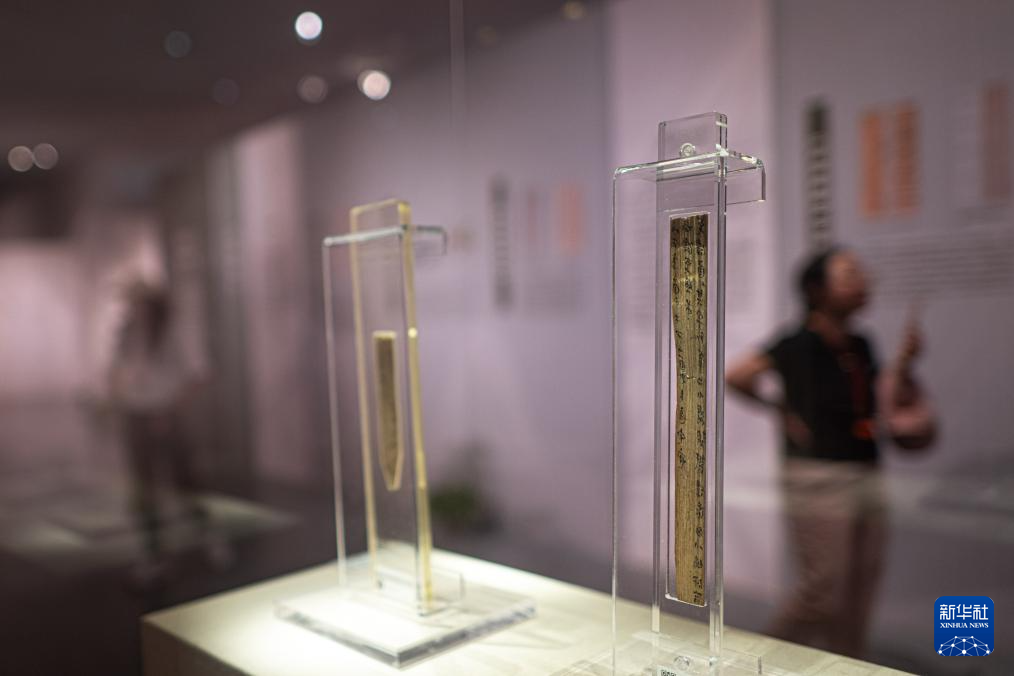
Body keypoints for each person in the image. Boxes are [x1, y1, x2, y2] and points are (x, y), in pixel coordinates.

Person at [726, 247, 935, 658]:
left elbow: (878, 400)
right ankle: (755, 663)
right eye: (849, 274)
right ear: (817, 289)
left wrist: (905, 363)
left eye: (861, 273)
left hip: (866, 469)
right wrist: (780, 408)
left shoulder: (860, 343)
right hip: (818, 475)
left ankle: (848, 663)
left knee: (860, 587)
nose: (863, 281)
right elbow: (738, 376)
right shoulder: (797, 342)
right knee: (822, 589)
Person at [108, 282, 209, 581]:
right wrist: (118, 399)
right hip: (136, 415)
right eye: (132, 304)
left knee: (183, 480)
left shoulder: (173, 332)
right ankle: (152, 551)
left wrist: (169, 411)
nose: (135, 309)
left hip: (166, 415)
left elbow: (196, 375)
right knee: (143, 486)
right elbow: (117, 371)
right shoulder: (127, 334)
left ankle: (206, 536)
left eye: (140, 303)